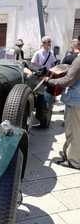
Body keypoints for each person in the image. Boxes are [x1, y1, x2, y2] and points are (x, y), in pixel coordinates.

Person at [43, 37, 80, 169]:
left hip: (76, 101)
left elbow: (68, 81)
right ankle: (68, 153)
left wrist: (49, 81)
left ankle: (73, 161)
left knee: (74, 132)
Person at [31, 36, 57, 126]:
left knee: (48, 96)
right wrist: (39, 75)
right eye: (48, 41)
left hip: (49, 76)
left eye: (50, 41)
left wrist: (53, 74)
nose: (50, 43)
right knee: (40, 96)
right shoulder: (38, 53)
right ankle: (38, 117)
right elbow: (33, 64)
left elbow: (53, 64)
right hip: (40, 77)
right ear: (43, 43)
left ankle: (45, 115)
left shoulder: (51, 52)